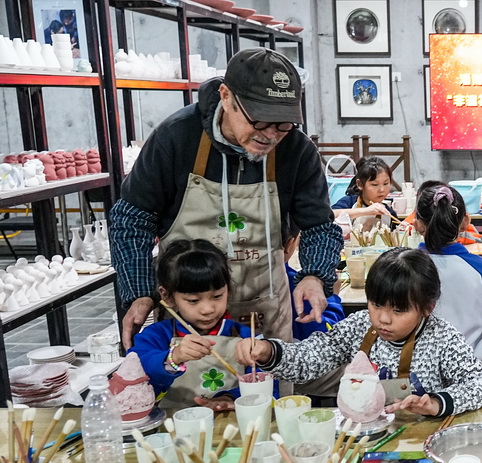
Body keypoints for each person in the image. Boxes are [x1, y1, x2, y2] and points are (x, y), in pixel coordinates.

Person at [110, 48, 341, 351]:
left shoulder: (296, 150)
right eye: (259, 120)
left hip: (266, 314)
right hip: (186, 321)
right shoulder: (176, 138)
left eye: (283, 124)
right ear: (226, 96)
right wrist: (139, 292)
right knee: (192, 395)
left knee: (264, 394)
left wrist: (314, 275)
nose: (271, 135)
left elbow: (319, 227)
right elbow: (131, 220)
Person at [236, 247, 482, 417]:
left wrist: (437, 402)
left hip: (423, 439)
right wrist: (269, 351)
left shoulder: (442, 338)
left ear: (426, 308)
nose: (383, 319)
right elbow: (309, 358)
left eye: (398, 311)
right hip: (363, 438)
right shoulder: (360, 326)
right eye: (376, 305)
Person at [129, 239, 257, 411]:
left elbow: (266, 384)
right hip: (172, 426)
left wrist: (231, 397)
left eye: (217, 296)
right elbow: (134, 372)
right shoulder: (157, 335)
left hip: (231, 424)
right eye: (193, 300)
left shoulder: (243, 334)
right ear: (167, 296)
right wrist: (173, 358)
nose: (208, 309)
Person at [414, 182, 482, 360]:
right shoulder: (479, 267)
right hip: (469, 368)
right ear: (465, 222)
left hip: (416, 370)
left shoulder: (406, 266)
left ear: (417, 224)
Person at [331, 156, 398, 240]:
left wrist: (402, 229)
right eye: (375, 185)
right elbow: (330, 215)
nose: (382, 190)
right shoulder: (349, 202)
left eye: (386, 184)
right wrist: (366, 211)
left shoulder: (388, 213)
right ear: (359, 184)